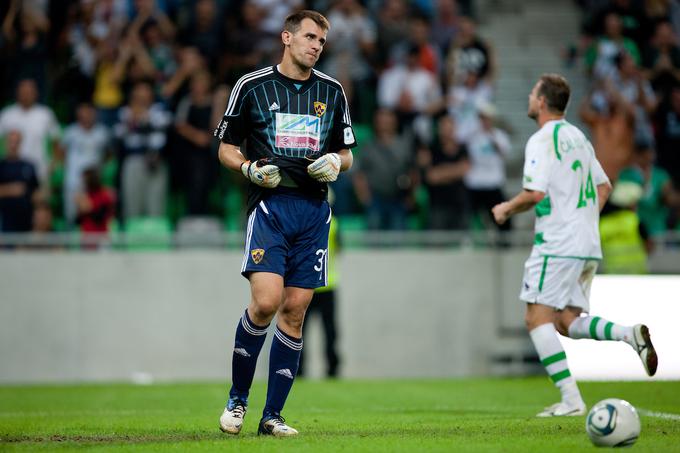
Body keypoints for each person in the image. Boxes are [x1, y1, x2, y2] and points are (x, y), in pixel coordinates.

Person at [214, 10, 355, 437]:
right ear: (286, 36)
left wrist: (336, 161)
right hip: (271, 207)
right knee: (266, 302)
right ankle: (237, 401)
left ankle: (271, 416)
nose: (316, 45)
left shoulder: (332, 92)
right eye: (310, 37)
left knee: (295, 312)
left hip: (314, 213)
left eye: (322, 41)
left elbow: (347, 152)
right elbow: (225, 148)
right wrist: (249, 170)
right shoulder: (251, 86)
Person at [491, 74, 657, 417]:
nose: (529, 98)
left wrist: (506, 207)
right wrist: (583, 221)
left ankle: (571, 401)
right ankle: (629, 335)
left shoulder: (542, 140)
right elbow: (604, 187)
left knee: (536, 318)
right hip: (586, 243)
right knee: (566, 320)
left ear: (541, 102)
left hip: (557, 242)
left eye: (532, 93)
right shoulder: (578, 137)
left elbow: (535, 193)